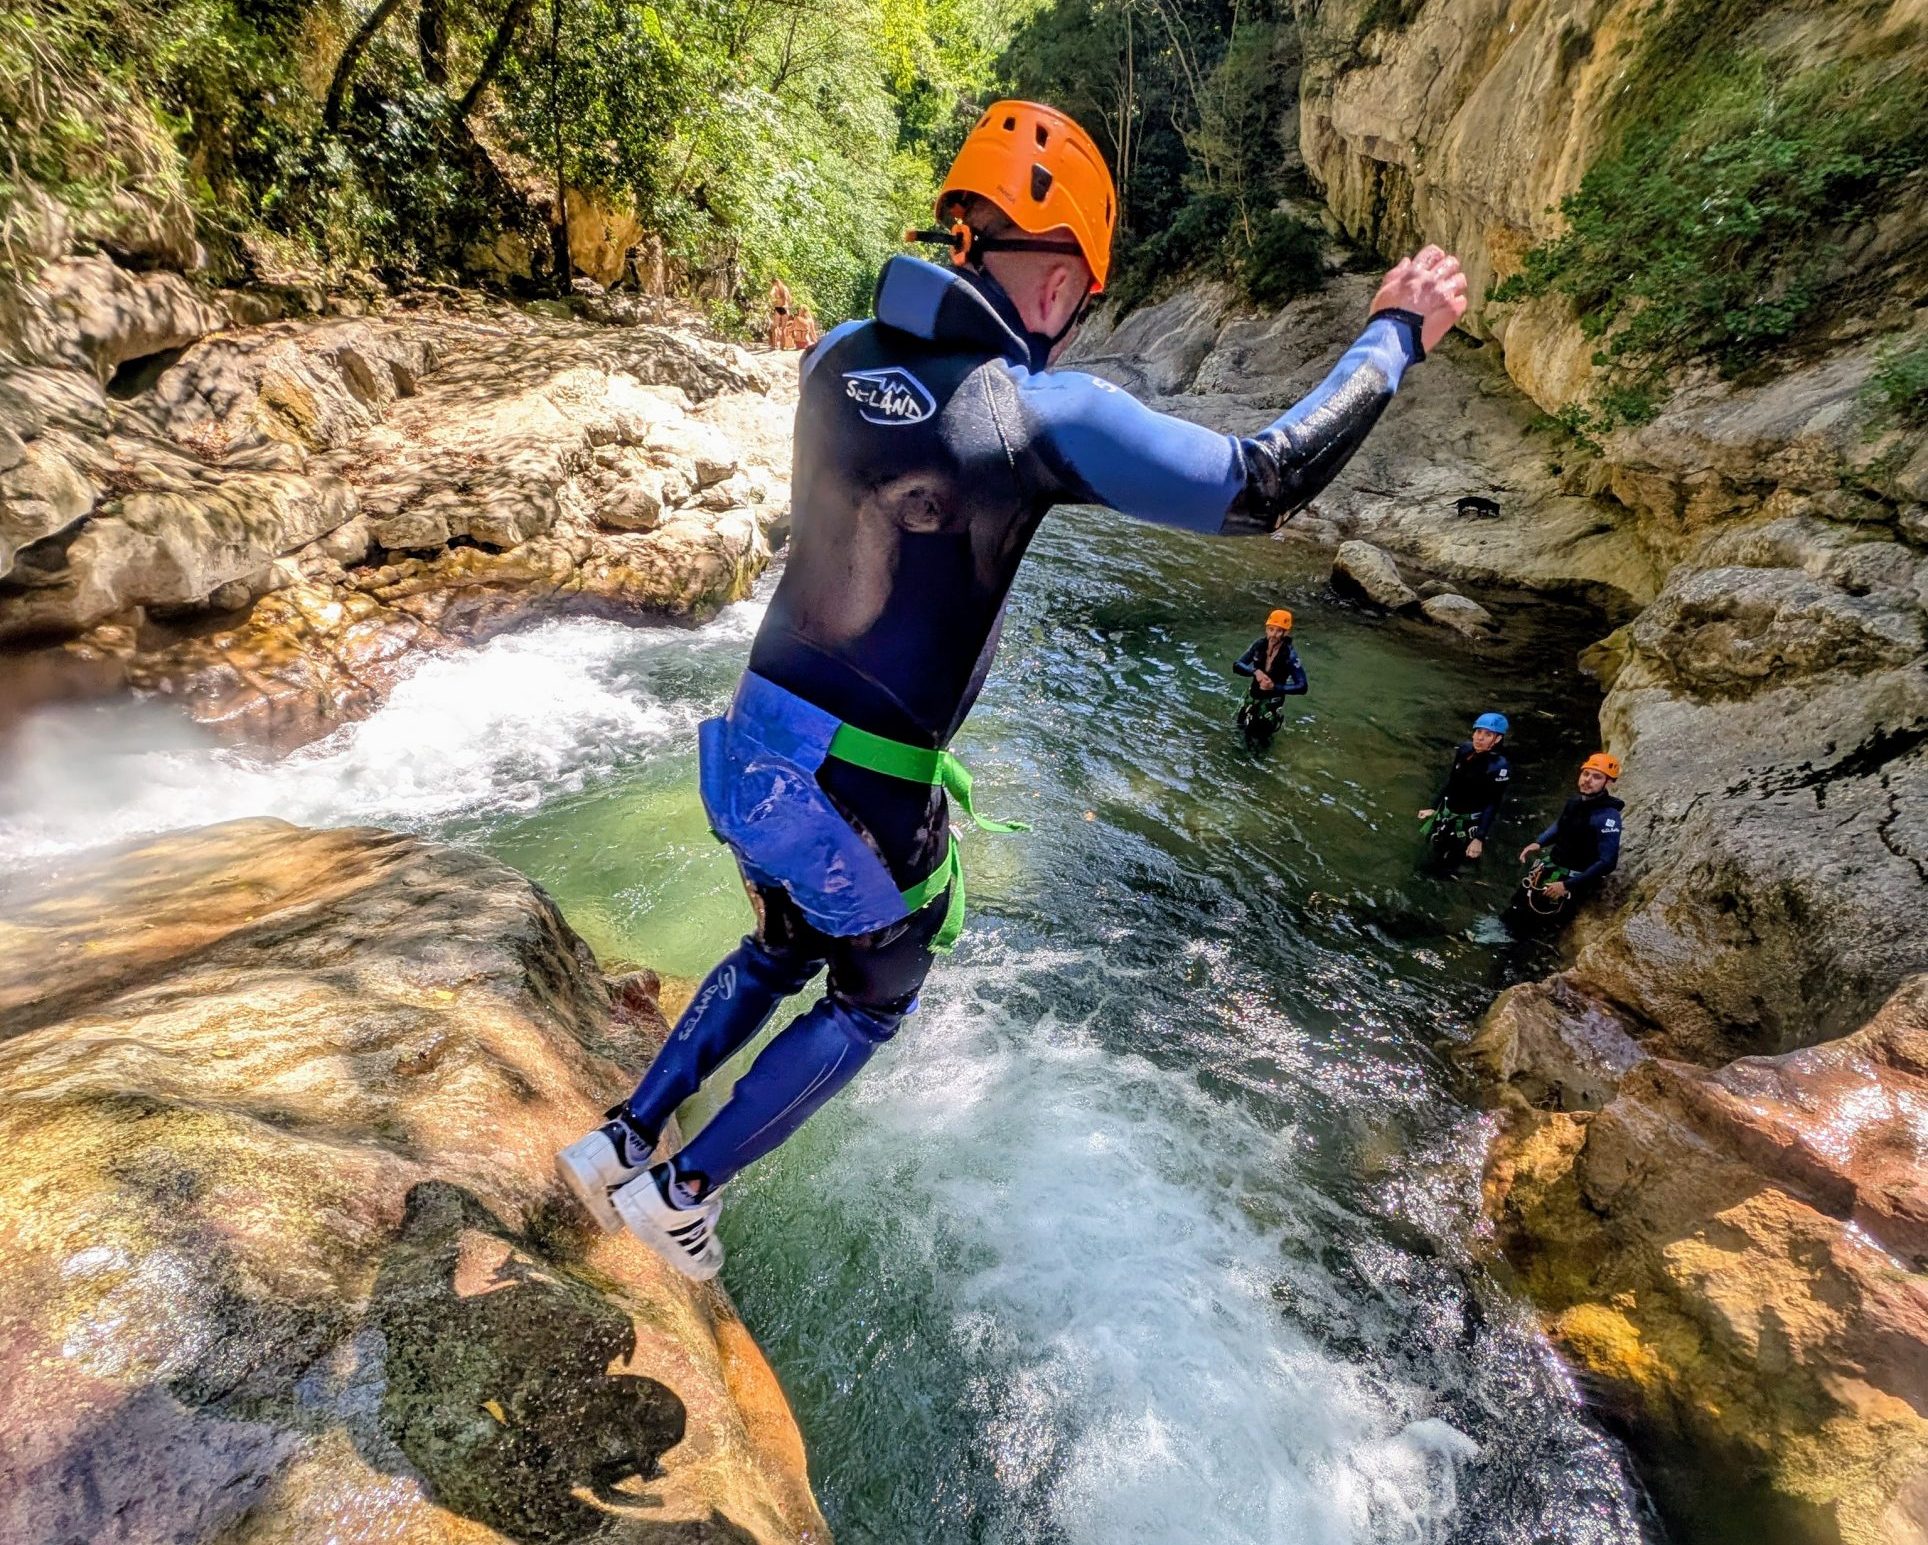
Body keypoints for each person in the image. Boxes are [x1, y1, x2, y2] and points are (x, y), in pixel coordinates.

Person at [557, 99, 1469, 1279]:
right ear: (1059, 288)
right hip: (858, 792)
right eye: (1081, 301)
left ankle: (619, 1136)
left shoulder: (833, 356)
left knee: (782, 941)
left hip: (749, 753)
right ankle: (679, 1190)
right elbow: (1260, 482)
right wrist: (1390, 334)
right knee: (875, 989)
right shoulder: (1038, 412)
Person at [1503, 752, 1625, 934]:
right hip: (1553, 868)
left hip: (1571, 880)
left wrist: (1567, 885)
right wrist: (1539, 842)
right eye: (1586, 774)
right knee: (1516, 907)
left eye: (1596, 777)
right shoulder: (1575, 802)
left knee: (1537, 927)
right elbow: (1561, 825)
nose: (1588, 780)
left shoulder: (1607, 818)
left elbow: (1607, 862)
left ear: (1608, 783)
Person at [1417, 711, 1510, 875]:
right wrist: (1434, 808)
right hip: (1447, 813)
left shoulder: (1499, 767)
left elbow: (1493, 802)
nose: (1479, 738)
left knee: (1450, 866)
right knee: (1431, 852)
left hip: (1468, 823)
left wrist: (1479, 838)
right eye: (1478, 732)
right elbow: (1452, 782)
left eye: (1487, 735)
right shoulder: (1465, 750)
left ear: (1498, 739)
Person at [1232, 608, 1307, 750]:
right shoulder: (1259, 645)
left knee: (1261, 741)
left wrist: (1275, 687)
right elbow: (1237, 665)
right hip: (1252, 698)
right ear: (1266, 629)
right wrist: (1255, 671)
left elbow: (1302, 686)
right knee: (1239, 729)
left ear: (1286, 633)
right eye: (1271, 629)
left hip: (1270, 705)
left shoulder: (1290, 656)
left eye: (1279, 631)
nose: (1274, 635)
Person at [767, 276, 794, 348]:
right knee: (783, 328)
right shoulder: (785, 288)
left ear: (774, 282)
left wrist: (775, 300)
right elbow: (790, 299)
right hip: (785, 308)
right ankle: (783, 346)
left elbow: (770, 294)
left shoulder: (775, 287)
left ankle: (774, 345)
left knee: (774, 326)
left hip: (778, 308)